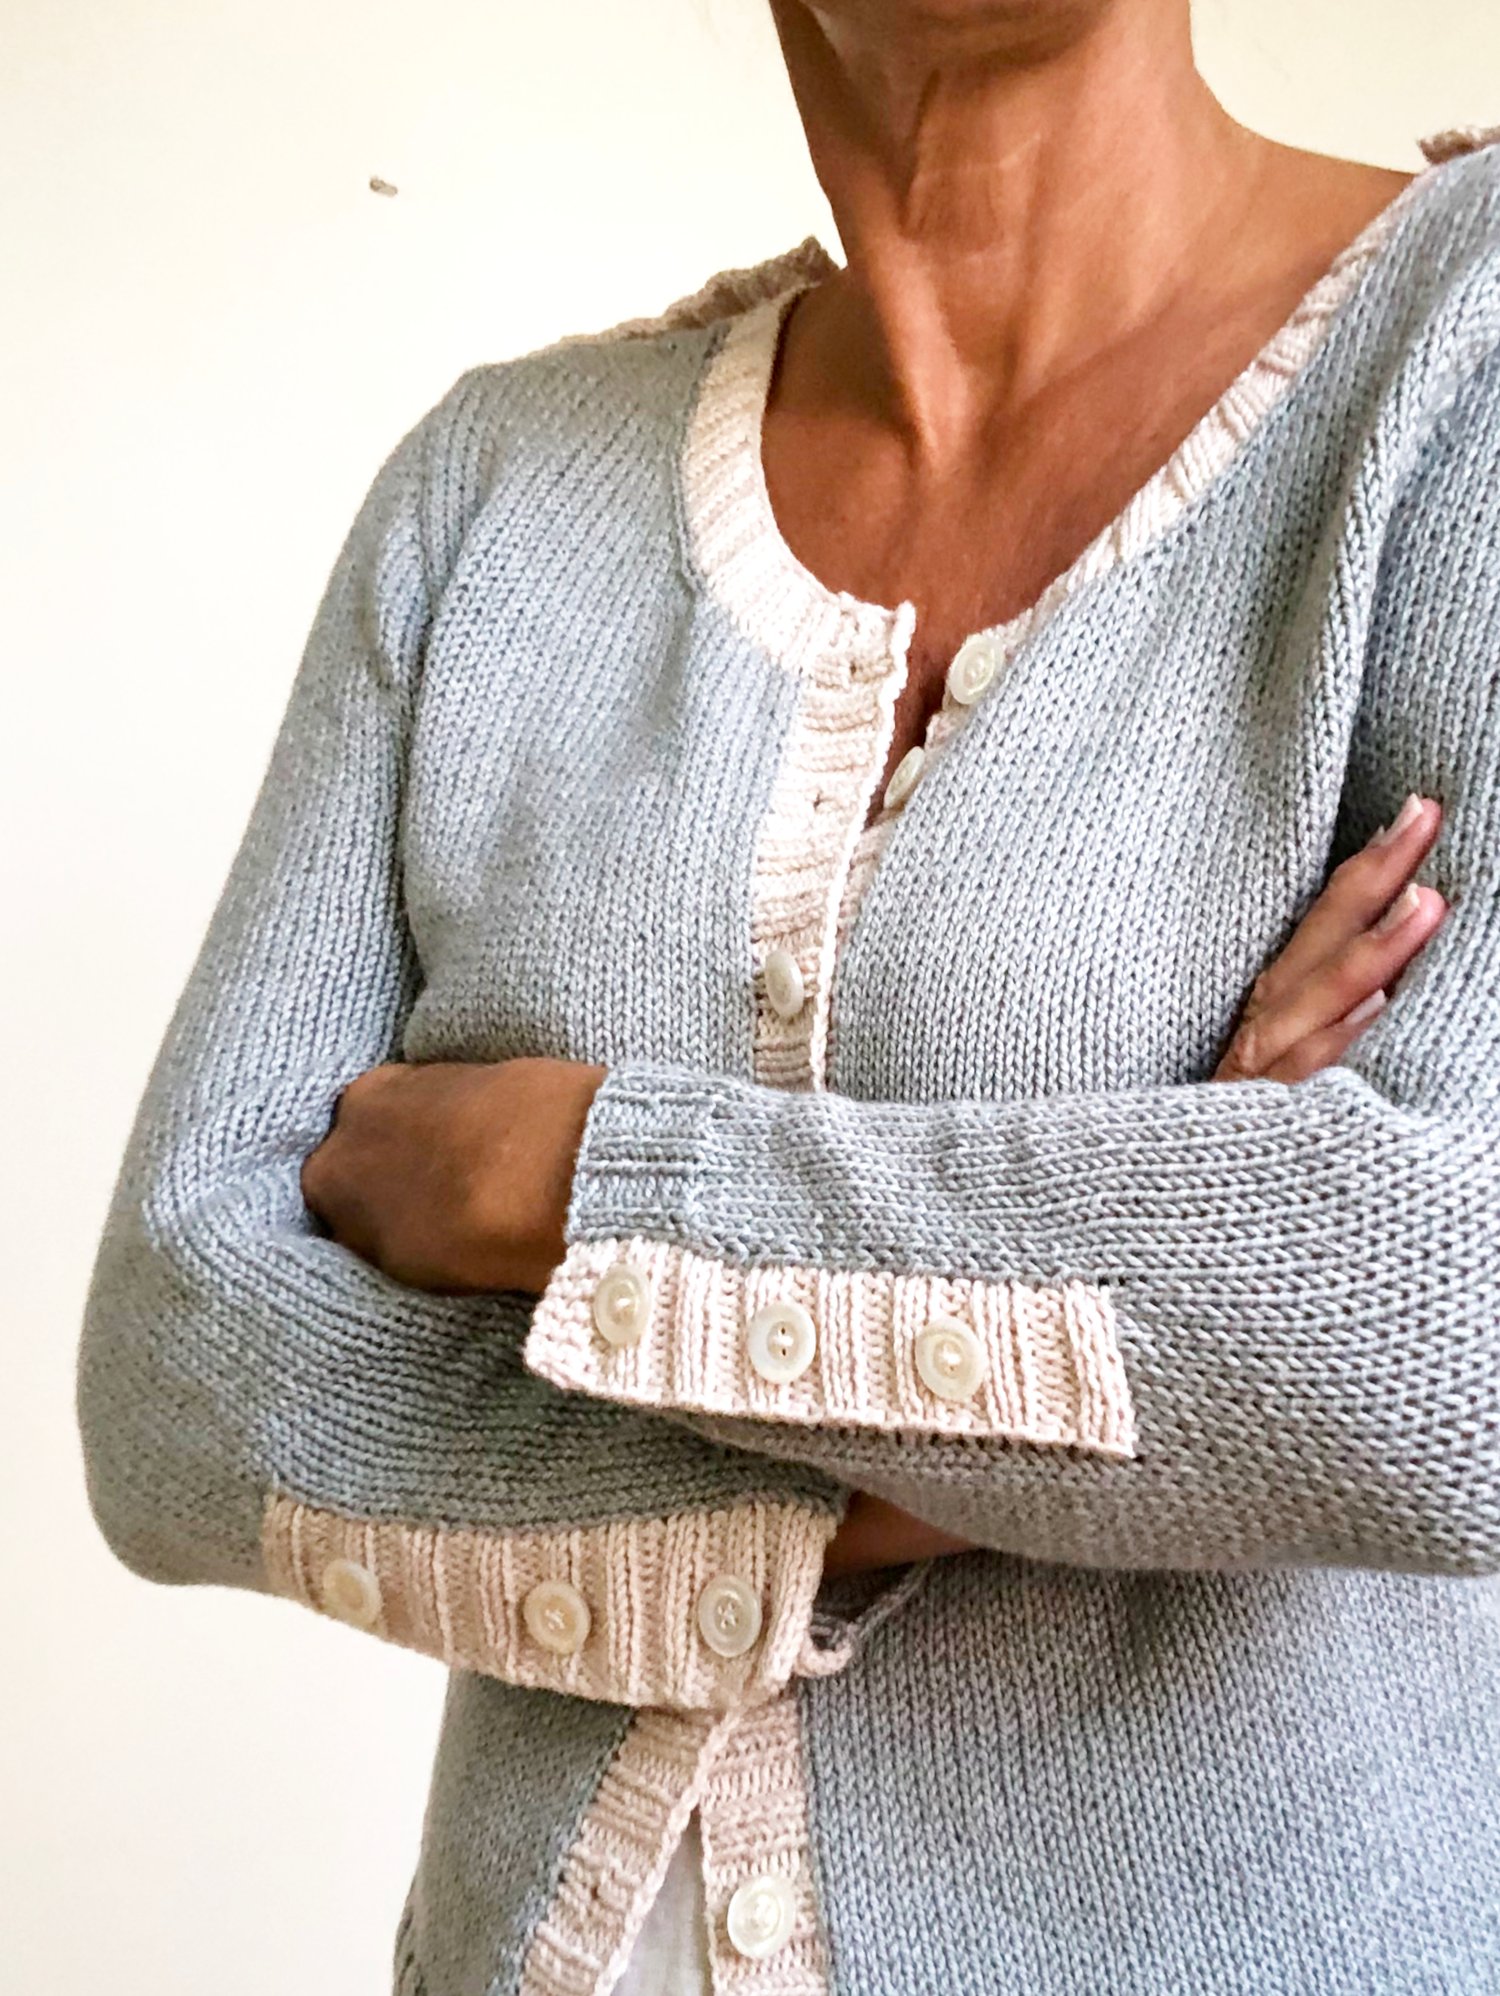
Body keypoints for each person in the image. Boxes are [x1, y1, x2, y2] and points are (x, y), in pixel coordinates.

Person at [75, 1, 1500, 1990]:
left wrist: (560, 1175)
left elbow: (1439, 1337)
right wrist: (1141, 1306)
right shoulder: (492, 490)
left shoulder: (1463, 355)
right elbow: (172, 1388)